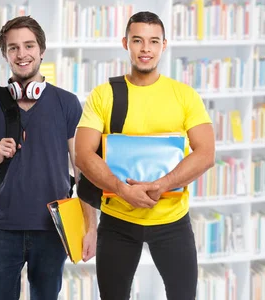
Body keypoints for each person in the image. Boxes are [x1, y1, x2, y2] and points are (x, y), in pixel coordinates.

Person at [75, 11, 215, 300]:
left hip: (173, 221)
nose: (146, 49)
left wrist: (162, 185)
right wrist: (121, 190)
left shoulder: (184, 95)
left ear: (164, 45)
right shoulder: (104, 95)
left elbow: (206, 153)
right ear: (125, 43)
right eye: (138, 40)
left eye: (153, 41)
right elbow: (83, 154)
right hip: (117, 220)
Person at [0, 16, 97, 300]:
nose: (22, 54)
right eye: (13, 48)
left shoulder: (66, 102)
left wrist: (91, 227)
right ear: (5, 54)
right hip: (2, 228)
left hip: (53, 228)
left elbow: (83, 169)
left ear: (41, 50)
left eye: (29, 45)